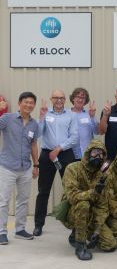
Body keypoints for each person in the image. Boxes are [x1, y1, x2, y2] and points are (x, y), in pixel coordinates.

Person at [61, 139, 116, 260]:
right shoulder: (73, 168)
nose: (98, 156)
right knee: (83, 204)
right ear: (88, 153)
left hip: (92, 213)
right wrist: (93, 192)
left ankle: (78, 234)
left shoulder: (102, 176)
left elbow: (103, 206)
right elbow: (72, 196)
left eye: (102, 154)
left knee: (110, 245)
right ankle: (80, 245)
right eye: (95, 152)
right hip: (73, 211)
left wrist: (97, 231)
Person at [33, 90, 78, 236]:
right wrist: (41, 118)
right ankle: (38, 225)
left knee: (72, 190)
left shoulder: (71, 115)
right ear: (52, 99)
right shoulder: (46, 114)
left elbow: (74, 137)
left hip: (64, 153)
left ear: (65, 99)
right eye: (56, 98)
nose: (58, 100)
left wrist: (59, 149)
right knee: (43, 191)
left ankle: (75, 223)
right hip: (47, 155)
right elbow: (38, 134)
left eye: (61, 98)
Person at [0, 92, 39, 245]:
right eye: (26, 102)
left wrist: (36, 165)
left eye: (31, 103)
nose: (28, 105)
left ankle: (20, 229)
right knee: (3, 200)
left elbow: (34, 145)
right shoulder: (7, 119)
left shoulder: (34, 124)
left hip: (26, 168)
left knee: (23, 200)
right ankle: (2, 232)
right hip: (7, 166)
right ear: (19, 103)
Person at [70, 87, 98, 161]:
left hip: (87, 154)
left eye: (83, 98)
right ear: (73, 98)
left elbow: (97, 131)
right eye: (78, 97)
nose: (80, 99)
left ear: (85, 101)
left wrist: (92, 117)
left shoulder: (89, 114)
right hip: (70, 154)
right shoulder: (67, 114)